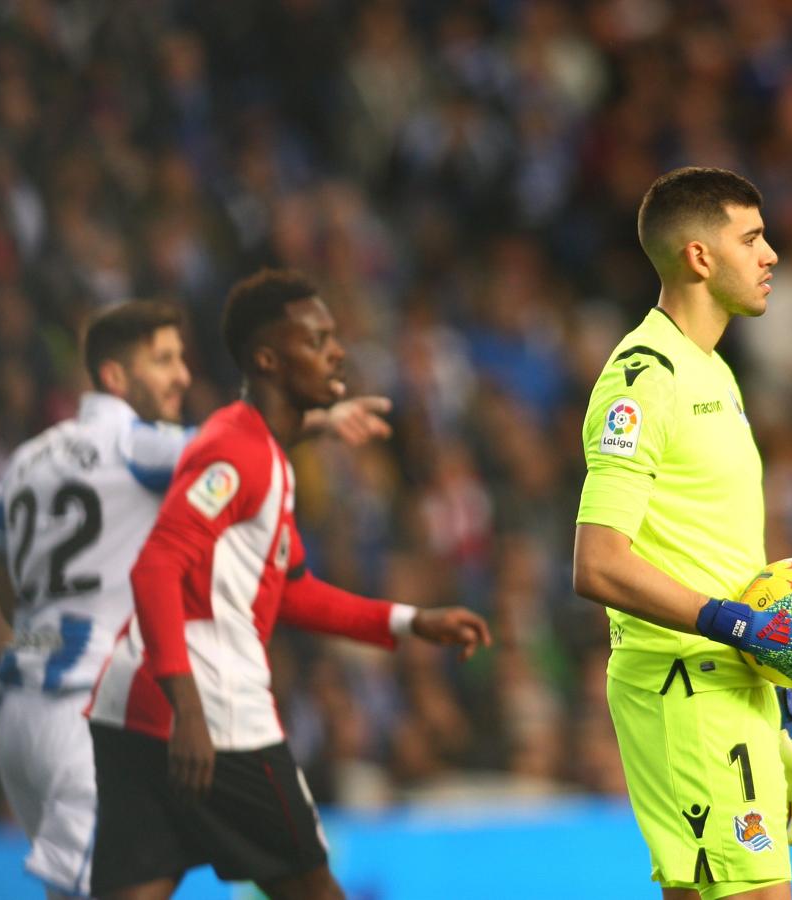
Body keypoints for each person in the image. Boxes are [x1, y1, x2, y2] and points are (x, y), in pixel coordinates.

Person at [84, 269, 492, 899]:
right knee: (313, 888)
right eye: (318, 339)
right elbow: (157, 565)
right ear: (268, 358)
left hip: (129, 702)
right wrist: (188, 708)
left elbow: (294, 591)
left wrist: (410, 621)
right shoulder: (238, 452)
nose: (338, 350)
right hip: (211, 706)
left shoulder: (258, 450)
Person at [0, 299, 392, 899]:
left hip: (19, 718)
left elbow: (6, 574)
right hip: (84, 714)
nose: (182, 375)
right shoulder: (135, 444)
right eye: (164, 360)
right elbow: (231, 448)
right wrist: (322, 422)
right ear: (114, 377)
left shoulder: (25, 462)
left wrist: (31, 638)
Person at [572, 167, 792, 900]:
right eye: (753, 238)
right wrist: (743, 629)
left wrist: (784, 712)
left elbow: (728, 559)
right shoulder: (642, 380)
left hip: (733, 687)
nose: (771, 256)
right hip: (684, 686)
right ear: (700, 256)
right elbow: (598, 564)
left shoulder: (717, 375)